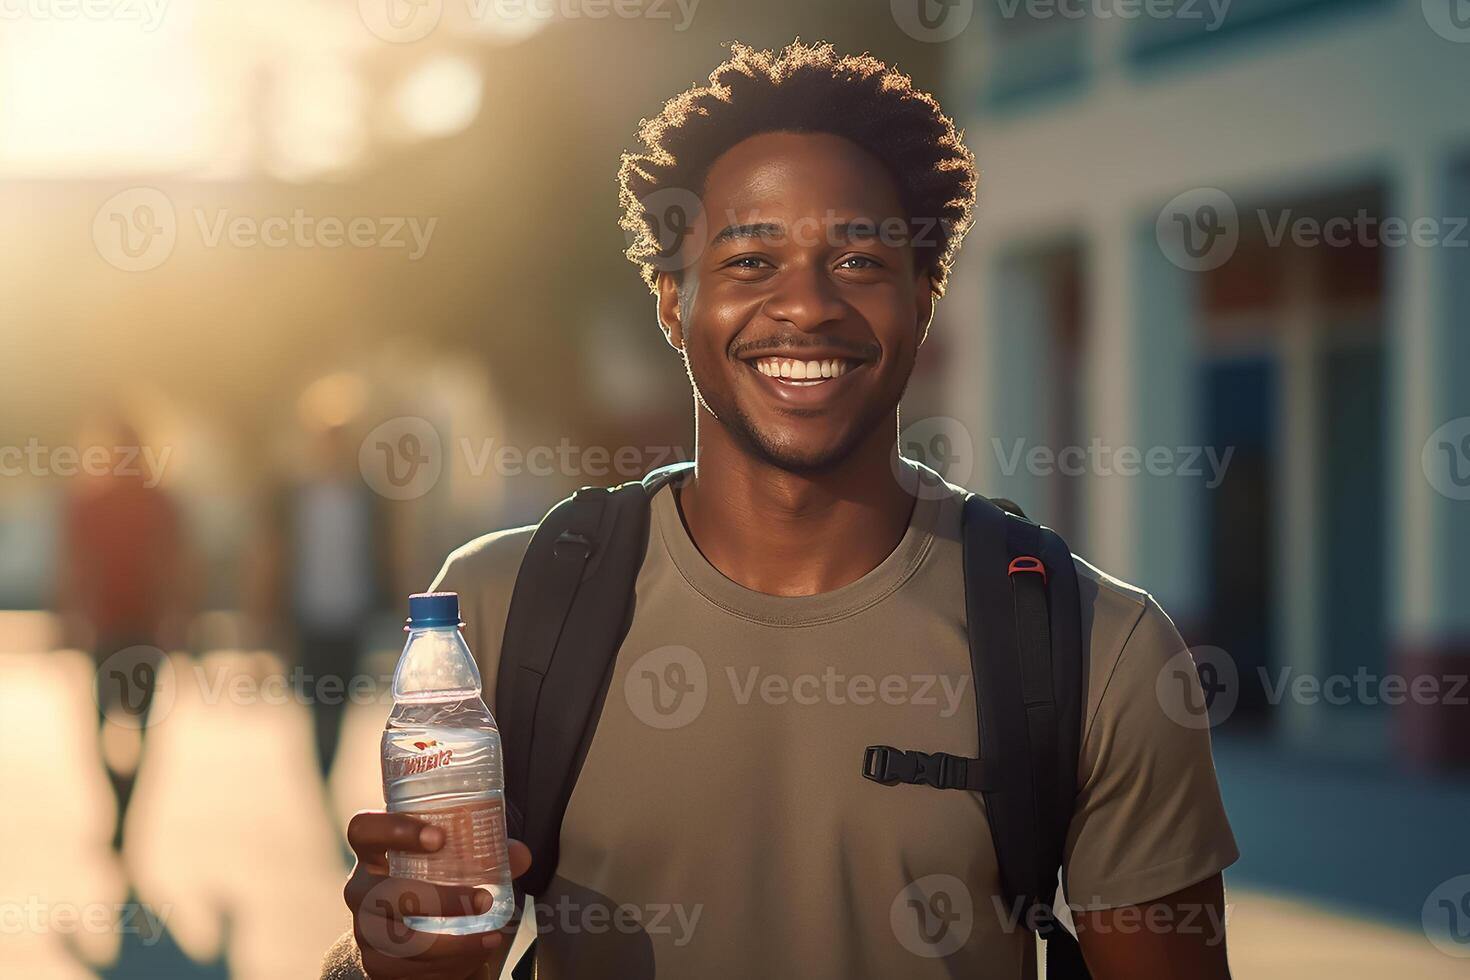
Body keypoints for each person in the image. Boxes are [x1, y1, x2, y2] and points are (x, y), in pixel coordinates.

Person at [326, 41, 1238, 979]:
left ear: (925, 302)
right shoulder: (499, 606)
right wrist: (382, 964)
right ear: (673, 303)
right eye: (752, 260)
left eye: (858, 259)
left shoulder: (1093, 647)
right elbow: (409, 948)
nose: (805, 305)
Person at [57, 415, 190, 853]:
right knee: (123, 726)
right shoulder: (92, 503)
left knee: (124, 725)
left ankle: (123, 813)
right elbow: (75, 564)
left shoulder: (159, 504)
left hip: (136, 630)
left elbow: (175, 565)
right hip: (115, 628)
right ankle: (122, 808)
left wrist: (176, 619)